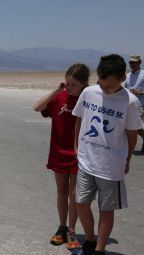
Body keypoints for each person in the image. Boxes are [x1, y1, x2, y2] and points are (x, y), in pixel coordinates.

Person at [72, 54, 142, 255]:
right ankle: (90, 240)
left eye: (109, 86)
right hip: (86, 160)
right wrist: (77, 147)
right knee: (81, 202)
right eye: (101, 85)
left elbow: (131, 135)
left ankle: (100, 249)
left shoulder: (130, 102)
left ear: (122, 79)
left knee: (106, 208)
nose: (104, 89)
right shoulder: (88, 92)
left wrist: (127, 159)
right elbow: (78, 118)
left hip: (110, 166)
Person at [33, 63, 90, 251]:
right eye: (67, 83)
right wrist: (57, 90)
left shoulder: (87, 100)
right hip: (58, 153)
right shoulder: (60, 97)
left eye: (73, 84)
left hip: (78, 155)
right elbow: (37, 107)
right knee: (61, 192)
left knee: (74, 195)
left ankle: (72, 230)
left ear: (84, 84)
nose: (69, 87)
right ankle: (62, 227)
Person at [123, 55, 144, 151]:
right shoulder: (127, 76)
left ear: (140, 62)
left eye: (134, 62)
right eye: (131, 62)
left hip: (140, 105)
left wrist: (140, 92)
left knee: (137, 127)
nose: (132, 64)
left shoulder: (143, 74)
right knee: (128, 126)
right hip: (127, 105)